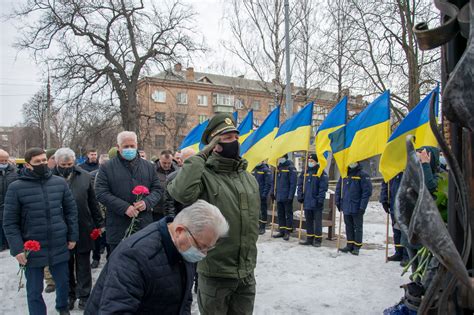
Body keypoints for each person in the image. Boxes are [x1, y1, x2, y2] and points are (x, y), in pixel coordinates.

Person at [168, 113, 260, 315]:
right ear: (214, 144)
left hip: (245, 274)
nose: (234, 142)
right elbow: (181, 192)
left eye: (236, 137)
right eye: (227, 138)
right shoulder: (204, 175)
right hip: (215, 274)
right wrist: (201, 156)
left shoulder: (248, 178)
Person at [84, 200, 228, 314]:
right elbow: (115, 310)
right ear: (179, 231)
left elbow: (184, 300)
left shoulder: (184, 247)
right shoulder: (134, 257)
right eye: (201, 246)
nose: (203, 253)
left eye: (209, 248)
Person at [3, 147, 78, 315]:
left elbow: (71, 211)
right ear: (28, 165)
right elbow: (9, 222)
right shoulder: (16, 187)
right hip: (32, 247)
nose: (42, 164)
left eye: (44, 160)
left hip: (58, 242)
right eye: (37, 162)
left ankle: (63, 308)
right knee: (34, 290)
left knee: (63, 282)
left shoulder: (59, 183)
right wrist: (17, 248)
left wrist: (72, 236)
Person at [95, 131, 163, 255]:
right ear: (118, 147)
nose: (130, 149)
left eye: (132, 146)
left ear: (137, 145)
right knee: (119, 266)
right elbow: (101, 192)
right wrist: (124, 207)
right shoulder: (107, 168)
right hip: (118, 227)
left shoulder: (148, 166)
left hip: (143, 226)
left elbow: (157, 190)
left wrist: (147, 202)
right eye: (126, 147)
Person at [52, 148, 104, 311]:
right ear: (57, 162)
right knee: (65, 264)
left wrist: (100, 223)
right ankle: (69, 294)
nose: (67, 167)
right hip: (59, 227)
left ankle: (84, 295)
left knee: (83, 264)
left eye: (69, 164)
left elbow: (93, 202)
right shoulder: (49, 177)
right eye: (63, 164)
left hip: (83, 225)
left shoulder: (85, 176)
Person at [335, 161, 373, 256]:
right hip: (346, 205)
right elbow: (338, 189)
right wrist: (338, 202)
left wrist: (362, 207)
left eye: (353, 161)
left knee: (357, 227)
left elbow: (366, 192)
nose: (351, 163)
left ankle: (357, 246)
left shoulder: (363, 175)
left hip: (357, 206)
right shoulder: (344, 174)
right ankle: (349, 244)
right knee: (348, 226)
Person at [297, 154, 329, 247]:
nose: (310, 163)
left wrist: (320, 199)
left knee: (317, 222)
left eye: (312, 161)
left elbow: (323, 188)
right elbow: (300, 184)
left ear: (316, 162)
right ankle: (309, 238)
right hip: (307, 200)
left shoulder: (321, 172)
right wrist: (300, 195)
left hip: (316, 201)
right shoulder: (305, 171)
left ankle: (318, 239)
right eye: (309, 161)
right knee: (309, 221)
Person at [380, 172, 408, 262]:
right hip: (393, 205)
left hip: (405, 205)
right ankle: (398, 252)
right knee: (396, 230)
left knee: (405, 231)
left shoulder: (407, 170)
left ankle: (406, 255)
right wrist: (384, 199)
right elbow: (385, 184)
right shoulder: (391, 170)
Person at [90, 154, 110, 268]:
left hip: (109, 210)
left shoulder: (112, 175)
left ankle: (109, 257)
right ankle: (95, 257)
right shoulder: (92, 176)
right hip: (97, 210)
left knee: (108, 237)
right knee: (97, 236)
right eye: (103, 164)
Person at [272, 154, 297, 241]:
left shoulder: (291, 168)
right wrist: (273, 192)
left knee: (288, 214)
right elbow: (274, 181)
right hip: (279, 195)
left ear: (285, 157)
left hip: (287, 196)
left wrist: (290, 196)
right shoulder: (278, 168)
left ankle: (288, 231)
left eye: (281, 157)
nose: (279, 159)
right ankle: (282, 230)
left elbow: (293, 184)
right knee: (280, 214)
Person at [164, 147, 196, 216]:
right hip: (180, 218)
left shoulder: (203, 175)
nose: (192, 162)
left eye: (194, 159)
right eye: (189, 159)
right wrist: (171, 220)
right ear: (181, 161)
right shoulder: (172, 178)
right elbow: (169, 203)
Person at [0, 149, 18, 251]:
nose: (3, 163)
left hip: (10, 207)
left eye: (5, 161)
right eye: (1, 161)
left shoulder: (15, 172)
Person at [153, 150, 178, 221]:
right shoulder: (152, 170)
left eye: (169, 163)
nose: (166, 165)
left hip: (173, 209)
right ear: (159, 159)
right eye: (164, 163)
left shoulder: (177, 171)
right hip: (156, 210)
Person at [252, 160, 273, 235]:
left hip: (262, 195)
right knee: (255, 211)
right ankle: (256, 226)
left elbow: (268, 184)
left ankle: (262, 227)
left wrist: (264, 194)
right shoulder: (254, 169)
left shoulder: (266, 170)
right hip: (254, 194)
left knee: (262, 211)